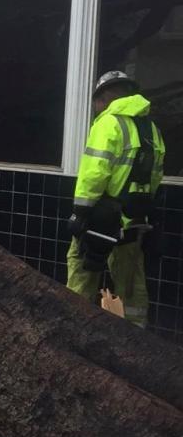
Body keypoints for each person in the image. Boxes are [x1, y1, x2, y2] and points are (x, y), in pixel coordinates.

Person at [66, 71, 165, 326]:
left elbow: (94, 172)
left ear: (103, 98)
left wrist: (80, 212)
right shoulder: (151, 129)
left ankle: (73, 328)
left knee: (81, 268)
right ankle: (136, 334)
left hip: (100, 217)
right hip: (134, 217)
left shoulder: (108, 123)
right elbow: (154, 177)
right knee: (130, 281)